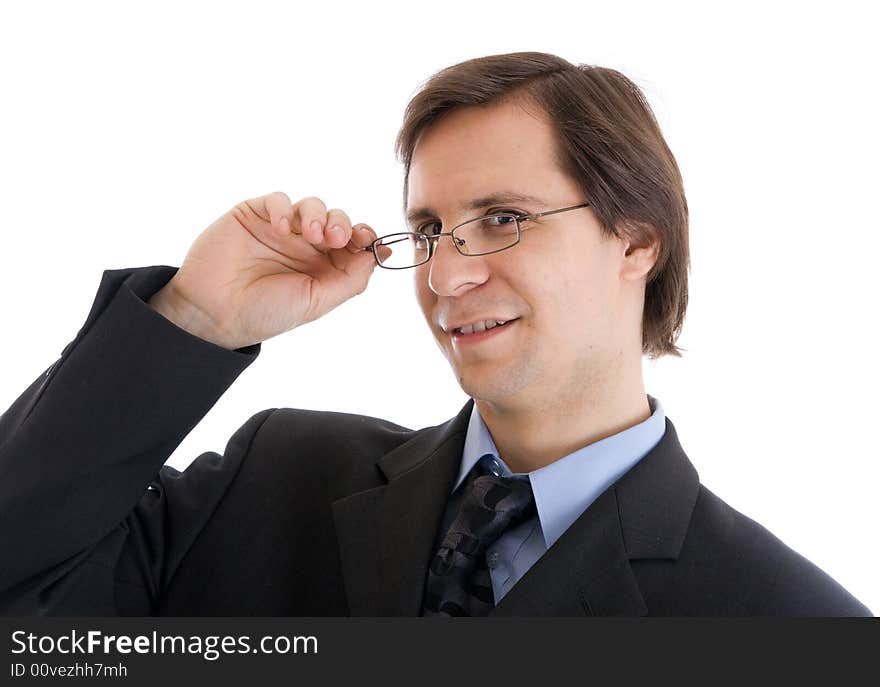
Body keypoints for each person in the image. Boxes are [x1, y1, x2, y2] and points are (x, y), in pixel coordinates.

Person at [0, 52, 871, 617]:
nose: (448, 277)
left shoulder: (789, 617)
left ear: (637, 239)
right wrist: (195, 317)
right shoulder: (277, 476)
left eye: (501, 219)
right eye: (428, 230)